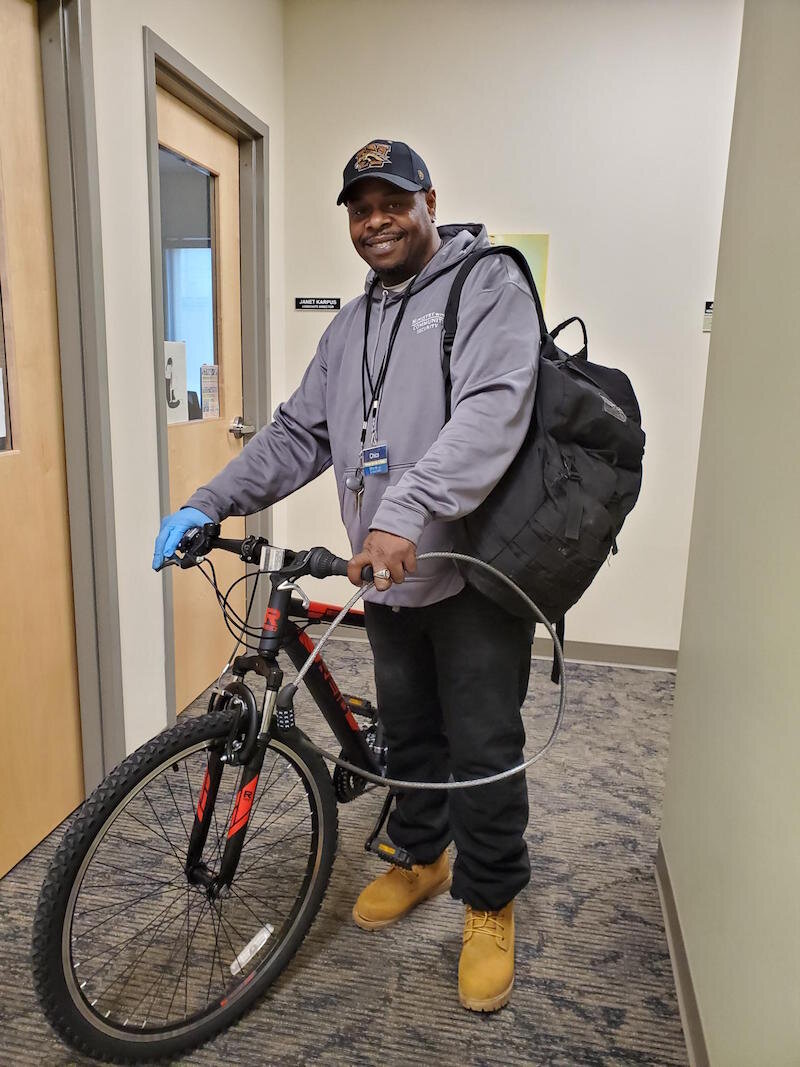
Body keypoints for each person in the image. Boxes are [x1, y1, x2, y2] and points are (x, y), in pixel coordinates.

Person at [152, 139, 540, 1012]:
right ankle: (422, 852)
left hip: (473, 565)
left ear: (429, 200)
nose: (375, 221)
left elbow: (493, 410)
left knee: (482, 743)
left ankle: (490, 901)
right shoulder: (351, 324)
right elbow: (299, 434)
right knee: (409, 727)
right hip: (391, 572)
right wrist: (211, 500)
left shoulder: (489, 287)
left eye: (391, 202)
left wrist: (406, 510)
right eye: (360, 209)